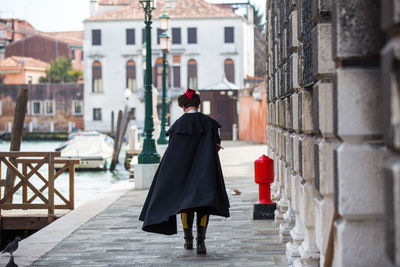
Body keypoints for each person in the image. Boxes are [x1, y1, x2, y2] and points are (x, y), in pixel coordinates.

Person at [139, 88, 230, 255]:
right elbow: (216, 146)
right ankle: (201, 242)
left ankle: (188, 241)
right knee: (203, 205)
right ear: (199, 104)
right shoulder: (210, 124)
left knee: (186, 206)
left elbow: (173, 154)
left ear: (183, 107)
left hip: (183, 174)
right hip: (205, 172)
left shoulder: (177, 126)